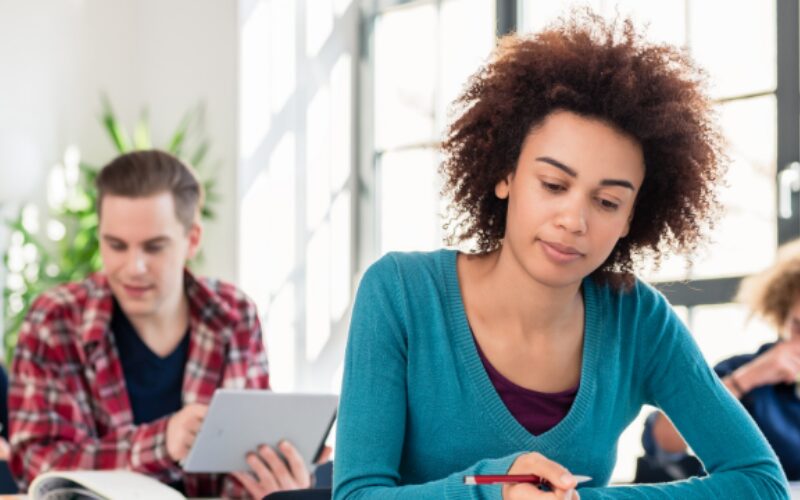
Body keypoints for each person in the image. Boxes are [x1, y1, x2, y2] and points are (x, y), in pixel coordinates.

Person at [333, 10, 789, 500]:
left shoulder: (636, 319)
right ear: (505, 175)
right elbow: (357, 495)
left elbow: (760, 482)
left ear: (631, 218)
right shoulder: (400, 292)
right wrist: (493, 493)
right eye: (553, 185)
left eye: (607, 201)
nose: (574, 220)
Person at [8, 150, 316, 499]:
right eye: (116, 245)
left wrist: (278, 484)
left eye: (154, 247)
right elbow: (38, 466)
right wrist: (162, 442)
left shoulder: (234, 315)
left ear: (192, 239)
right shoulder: (55, 321)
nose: (133, 267)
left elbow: (243, 458)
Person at [642, 238, 800, 482]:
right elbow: (664, 446)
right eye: (798, 326)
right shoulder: (741, 369)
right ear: (782, 315)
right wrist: (745, 380)